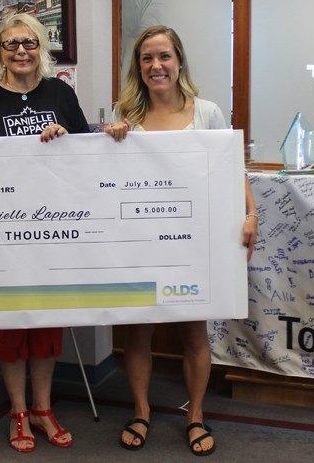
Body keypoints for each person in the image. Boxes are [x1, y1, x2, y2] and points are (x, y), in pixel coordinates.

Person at [106, 25, 258, 457]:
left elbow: (232, 169)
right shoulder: (126, 115)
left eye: (164, 57)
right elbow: (111, 177)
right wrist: (111, 138)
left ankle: (195, 416)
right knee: (137, 333)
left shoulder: (206, 111)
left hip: (194, 242)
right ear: (139, 67)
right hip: (141, 241)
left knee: (195, 333)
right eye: (147, 58)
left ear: (179, 61)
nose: (156, 66)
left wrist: (250, 212)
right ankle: (141, 411)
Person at [0, 12, 88, 453]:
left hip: (55, 230)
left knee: (48, 323)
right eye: (11, 44)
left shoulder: (60, 93)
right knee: (12, 326)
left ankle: (43, 408)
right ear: (0, 52)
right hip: (2, 234)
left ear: (41, 48)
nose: (20, 52)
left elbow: (89, 155)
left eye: (28, 43)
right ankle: (17, 411)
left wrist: (65, 137)